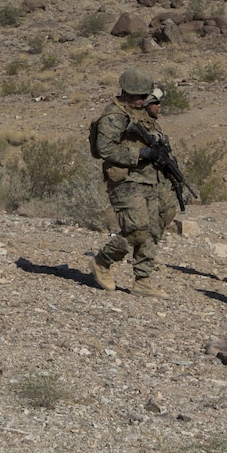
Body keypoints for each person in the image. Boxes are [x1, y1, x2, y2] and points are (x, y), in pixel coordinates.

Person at [90, 69, 175, 297]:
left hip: (150, 180)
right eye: (139, 96)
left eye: (145, 96)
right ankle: (103, 261)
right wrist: (140, 154)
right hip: (126, 181)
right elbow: (105, 149)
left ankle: (143, 280)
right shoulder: (113, 116)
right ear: (127, 93)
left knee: (154, 228)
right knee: (137, 230)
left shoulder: (140, 114)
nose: (143, 100)